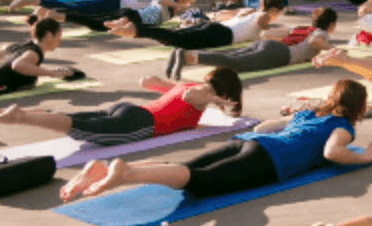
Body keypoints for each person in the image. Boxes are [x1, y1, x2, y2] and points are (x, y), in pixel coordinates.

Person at [59, 79, 372, 203]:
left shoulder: (310, 113)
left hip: (248, 142)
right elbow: (334, 152)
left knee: (185, 168)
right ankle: (127, 174)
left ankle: (112, 168)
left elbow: (266, 127)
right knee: (199, 182)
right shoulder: (343, 126)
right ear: (358, 107)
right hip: (271, 160)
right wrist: (367, 156)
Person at [0, 68, 243, 145]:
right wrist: (218, 100)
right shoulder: (202, 93)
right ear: (223, 90)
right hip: (139, 123)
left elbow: (158, 85)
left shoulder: (188, 84)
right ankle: (20, 117)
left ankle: (15, 115)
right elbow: (193, 94)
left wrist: (153, 83)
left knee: (73, 118)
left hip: (129, 109)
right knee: (76, 127)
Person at [169, 7, 338, 80]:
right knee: (235, 63)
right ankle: (188, 56)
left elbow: (268, 33)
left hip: (267, 45)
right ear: (331, 25)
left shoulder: (302, 27)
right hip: (279, 54)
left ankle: (180, 53)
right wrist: (334, 49)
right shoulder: (320, 33)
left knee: (228, 57)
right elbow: (315, 40)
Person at [104, 0, 285, 50]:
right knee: (174, 39)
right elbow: (264, 32)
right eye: (278, 13)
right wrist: (282, 36)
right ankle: (135, 30)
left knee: (174, 36)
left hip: (215, 27)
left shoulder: (249, 10)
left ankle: (135, 27)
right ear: (274, 10)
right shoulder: (263, 16)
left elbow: (224, 13)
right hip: (221, 34)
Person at [36, 0, 199, 30]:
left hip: (114, 1)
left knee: (79, 6)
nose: (189, 2)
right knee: (79, 8)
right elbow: (164, 2)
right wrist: (184, 8)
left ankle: (50, 5)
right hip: (114, 3)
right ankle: (39, 2)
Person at [0, 18, 71, 94]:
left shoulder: (17, 46)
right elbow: (17, 65)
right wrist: (52, 73)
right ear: (49, 36)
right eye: (58, 38)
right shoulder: (34, 53)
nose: (59, 43)